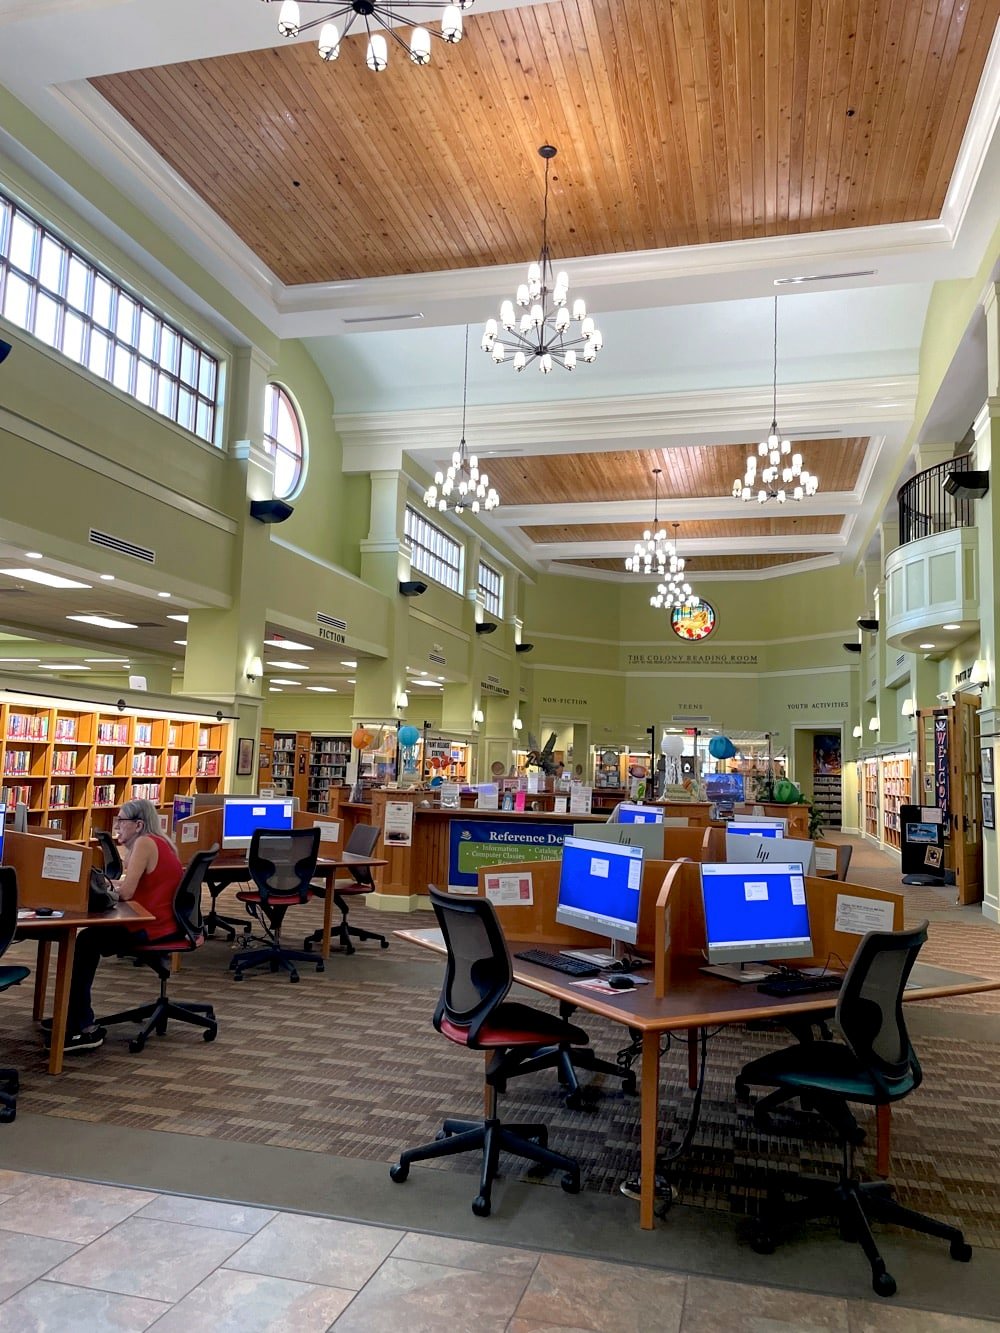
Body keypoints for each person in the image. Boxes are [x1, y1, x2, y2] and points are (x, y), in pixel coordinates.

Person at [47, 798, 183, 1054]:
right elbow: (135, 887)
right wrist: (111, 886)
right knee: (89, 939)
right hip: (160, 922)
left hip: (149, 927)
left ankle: (83, 1027)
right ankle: (74, 1016)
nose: (118, 825)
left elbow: (128, 893)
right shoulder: (161, 842)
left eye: (122, 820)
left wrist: (104, 889)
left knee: (86, 942)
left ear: (139, 824)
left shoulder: (144, 843)